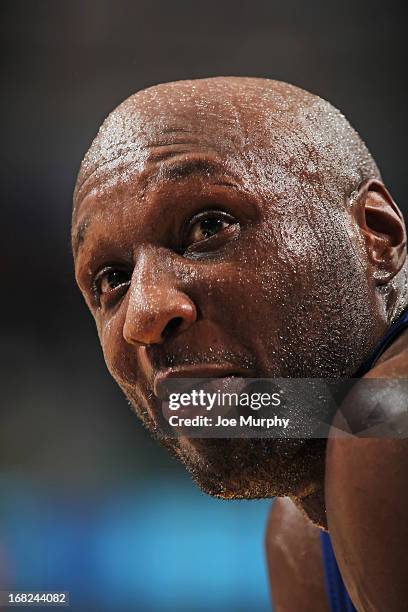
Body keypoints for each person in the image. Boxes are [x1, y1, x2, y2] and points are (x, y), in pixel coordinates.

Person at [72, 77, 408, 610]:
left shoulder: (381, 433)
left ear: (375, 235)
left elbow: (388, 413)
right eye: (112, 279)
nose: (145, 314)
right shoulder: (299, 535)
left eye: (209, 226)